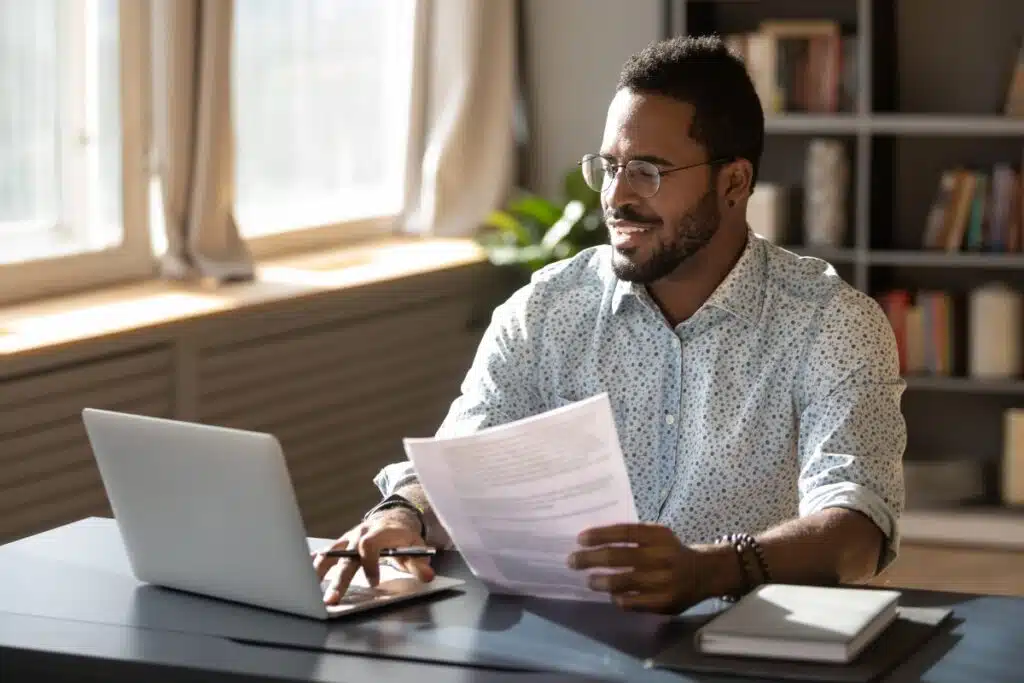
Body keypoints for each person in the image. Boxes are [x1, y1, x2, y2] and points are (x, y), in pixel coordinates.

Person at [314, 35, 906, 615]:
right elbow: (463, 461)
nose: (617, 196)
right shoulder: (547, 309)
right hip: (564, 640)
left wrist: (710, 570)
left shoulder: (832, 323)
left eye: (648, 171)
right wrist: (402, 513)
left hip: (743, 645)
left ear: (733, 183)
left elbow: (858, 526)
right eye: (610, 165)